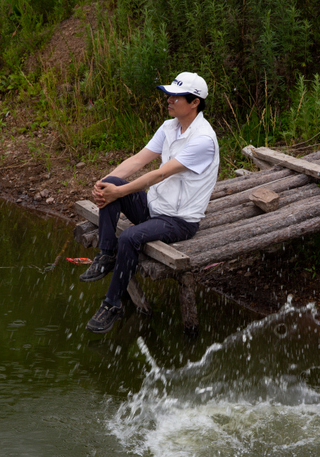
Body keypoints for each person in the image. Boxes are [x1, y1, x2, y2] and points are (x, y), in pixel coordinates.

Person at [80, 71, 220, 333]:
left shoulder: (203, 139)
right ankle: (107, 254)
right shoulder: (170, 127)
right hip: (155, 207)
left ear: (194, 102)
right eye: (168, 94)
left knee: (130, 236)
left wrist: (118, 194)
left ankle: (112, 305)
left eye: (175, 96)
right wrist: (103, 183)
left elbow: (160, 173)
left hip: (179, 220)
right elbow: (138, 160)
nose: (168, 99)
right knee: (114, 183)